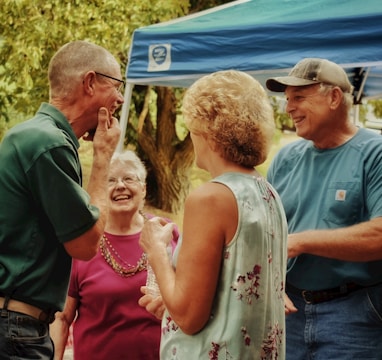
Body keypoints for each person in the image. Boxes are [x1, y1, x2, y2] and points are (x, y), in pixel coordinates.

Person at [138, 70, 288, 359]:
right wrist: (169, 299)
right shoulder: (268, 193)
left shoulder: (210, 198)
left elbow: (189, 316)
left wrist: (155, 249)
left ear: (206, 130)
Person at [0, 40, 123, 359]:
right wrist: (103, 157)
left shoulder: (32, 135)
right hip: (15, 328)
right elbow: (85, 245)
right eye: (117, 85)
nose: (121, 98)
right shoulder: (48, 144)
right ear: (90, 82)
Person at [265, 58, 382, 359]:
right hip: (287, 311)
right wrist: (272, 282)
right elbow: (263, 231)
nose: (288, 107)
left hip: (354, 315)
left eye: (299, 97)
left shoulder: (374, 152)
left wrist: (302, 242)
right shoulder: (285, 158)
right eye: (287, 99)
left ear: (333, 98)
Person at [50, 150, 179, 360]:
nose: (120, 185)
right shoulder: (82, 242)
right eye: (111, 180)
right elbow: (62, 317)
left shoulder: (166, 232)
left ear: (144, 189)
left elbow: (189, 299)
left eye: (129, 178)